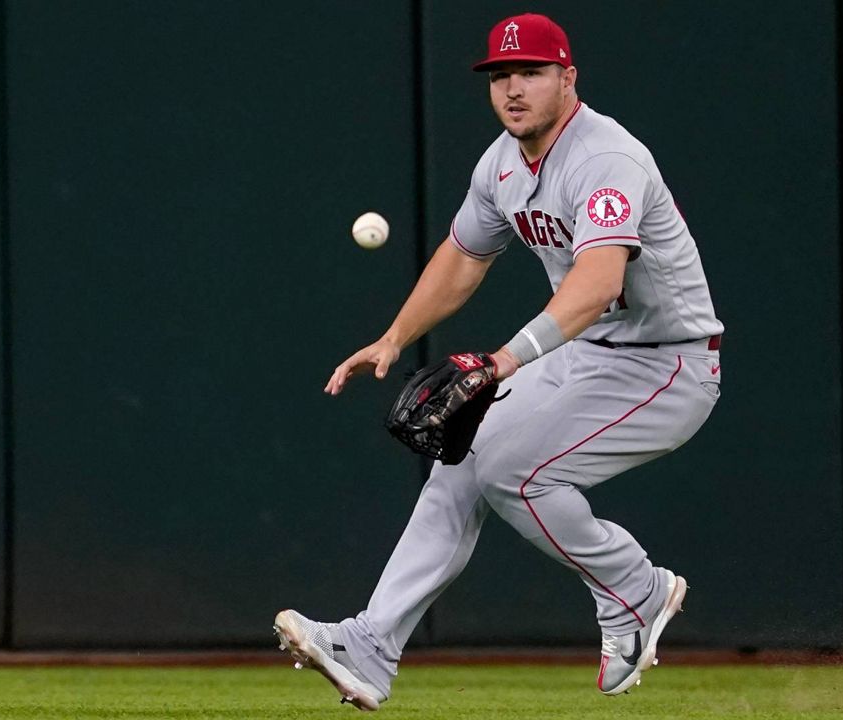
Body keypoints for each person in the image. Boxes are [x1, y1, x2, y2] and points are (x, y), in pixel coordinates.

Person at [274, 12, 724, 710]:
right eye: (500, 75)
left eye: (531, 73)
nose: (513, 88)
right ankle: (369, 645)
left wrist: (506, 359)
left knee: (515, 470)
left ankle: (635, 589)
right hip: (588, 353)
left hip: (667, 364)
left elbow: (599, 282)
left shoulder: (606, 159)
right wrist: (395, 336)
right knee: (460, 455)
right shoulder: (503, 163)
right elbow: (463, 256)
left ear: (568, 77)